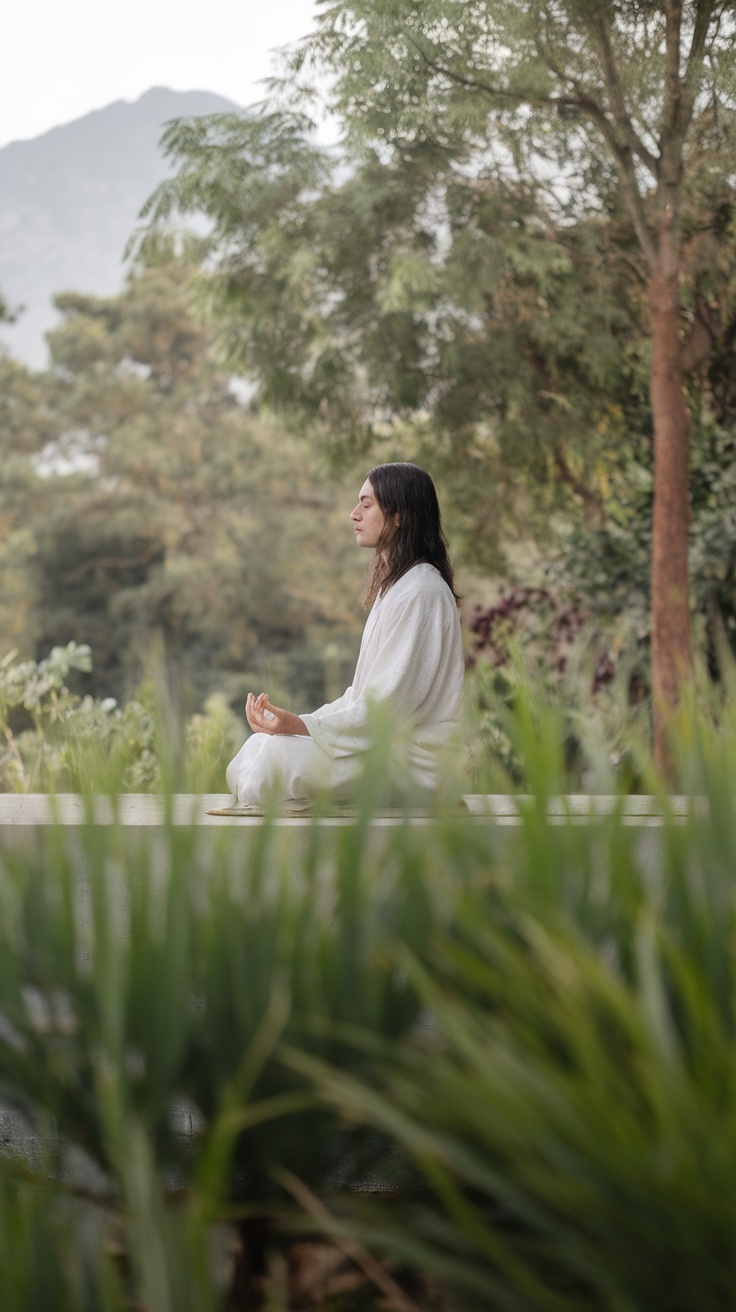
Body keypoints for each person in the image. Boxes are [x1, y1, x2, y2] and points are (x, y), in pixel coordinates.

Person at [225, 462, 464, 810]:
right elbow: (361, 698)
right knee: (257, 749)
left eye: (367, 505)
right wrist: (300, 724)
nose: (354, 514)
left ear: (398, 516)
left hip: (415, 764)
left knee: (272, 762)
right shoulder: (397, 588)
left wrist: (303, 727)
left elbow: (384, 711)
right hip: (381, 747)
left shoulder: (421, 591)